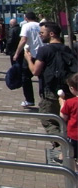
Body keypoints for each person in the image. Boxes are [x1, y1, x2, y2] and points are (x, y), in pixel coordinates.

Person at [27, 21, 77, 164]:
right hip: (67, 90)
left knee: (47, 119)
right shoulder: (67, 49)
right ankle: (67, 149)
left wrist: (28, 58)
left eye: (42, 33)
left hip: (50, 90)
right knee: (66, 120)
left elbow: (35, 71)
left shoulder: (45, 50)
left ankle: (65, 147)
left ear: (51, 34)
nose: (40, 35)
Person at [13, 12, 42, 107]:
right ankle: (43, 97)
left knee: (25, 77)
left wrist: (17, 53)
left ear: (26, 18)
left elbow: (23, 40)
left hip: (31, 54)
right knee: (42, 77)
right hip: (43, 54)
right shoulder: (41, 25)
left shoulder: (26, 26)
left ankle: (29, 100)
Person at [58, 73, 78, 171]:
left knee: (72, 156)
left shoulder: (70, 102)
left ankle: (75, 177)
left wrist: (62, 103)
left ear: (72, 88)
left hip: (74, 136)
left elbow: (63, 117)